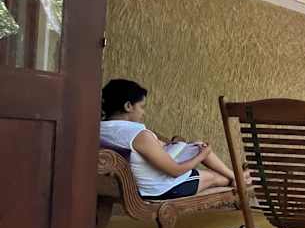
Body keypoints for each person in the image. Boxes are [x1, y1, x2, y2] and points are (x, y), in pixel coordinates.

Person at [100, 79, 248, 200]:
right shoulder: (139, 135)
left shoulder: (100, 130)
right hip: (161, 188)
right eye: (142, 107)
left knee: (197, 145)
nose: (143, 113)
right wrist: (203, 155)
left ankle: (238, 177)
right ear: (128, 106)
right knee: (216, 177)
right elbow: (175, 171)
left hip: (142, 183)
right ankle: (240, 179)